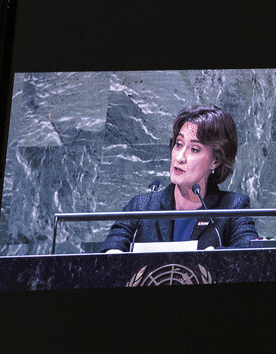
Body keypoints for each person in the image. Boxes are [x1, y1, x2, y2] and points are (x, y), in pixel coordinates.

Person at [101, 105, 258, 253]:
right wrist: (112, 256)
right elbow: (111, 249)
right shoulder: (141, 206)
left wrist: (217, 258)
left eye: (194, 149)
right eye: (179, 144)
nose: (180, 157)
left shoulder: (233, 208)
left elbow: (249, 255)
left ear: (215, 161)